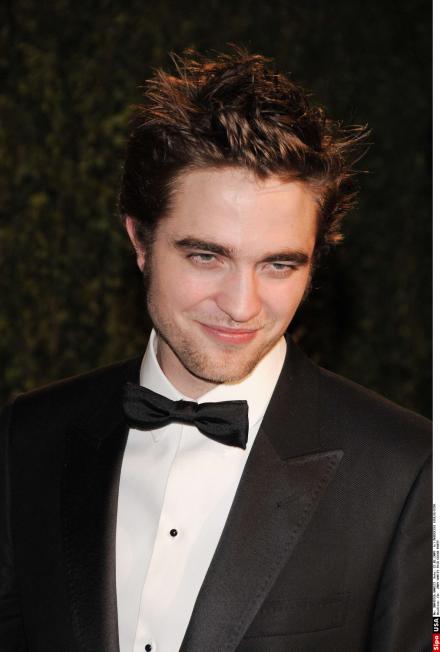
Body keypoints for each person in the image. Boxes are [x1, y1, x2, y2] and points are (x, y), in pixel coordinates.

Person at [0, 48, 431, 652]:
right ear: (140, 241)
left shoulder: (407, 470)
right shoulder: (27, 438)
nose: (242, 305)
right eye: (207, 256)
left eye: (279, 265)